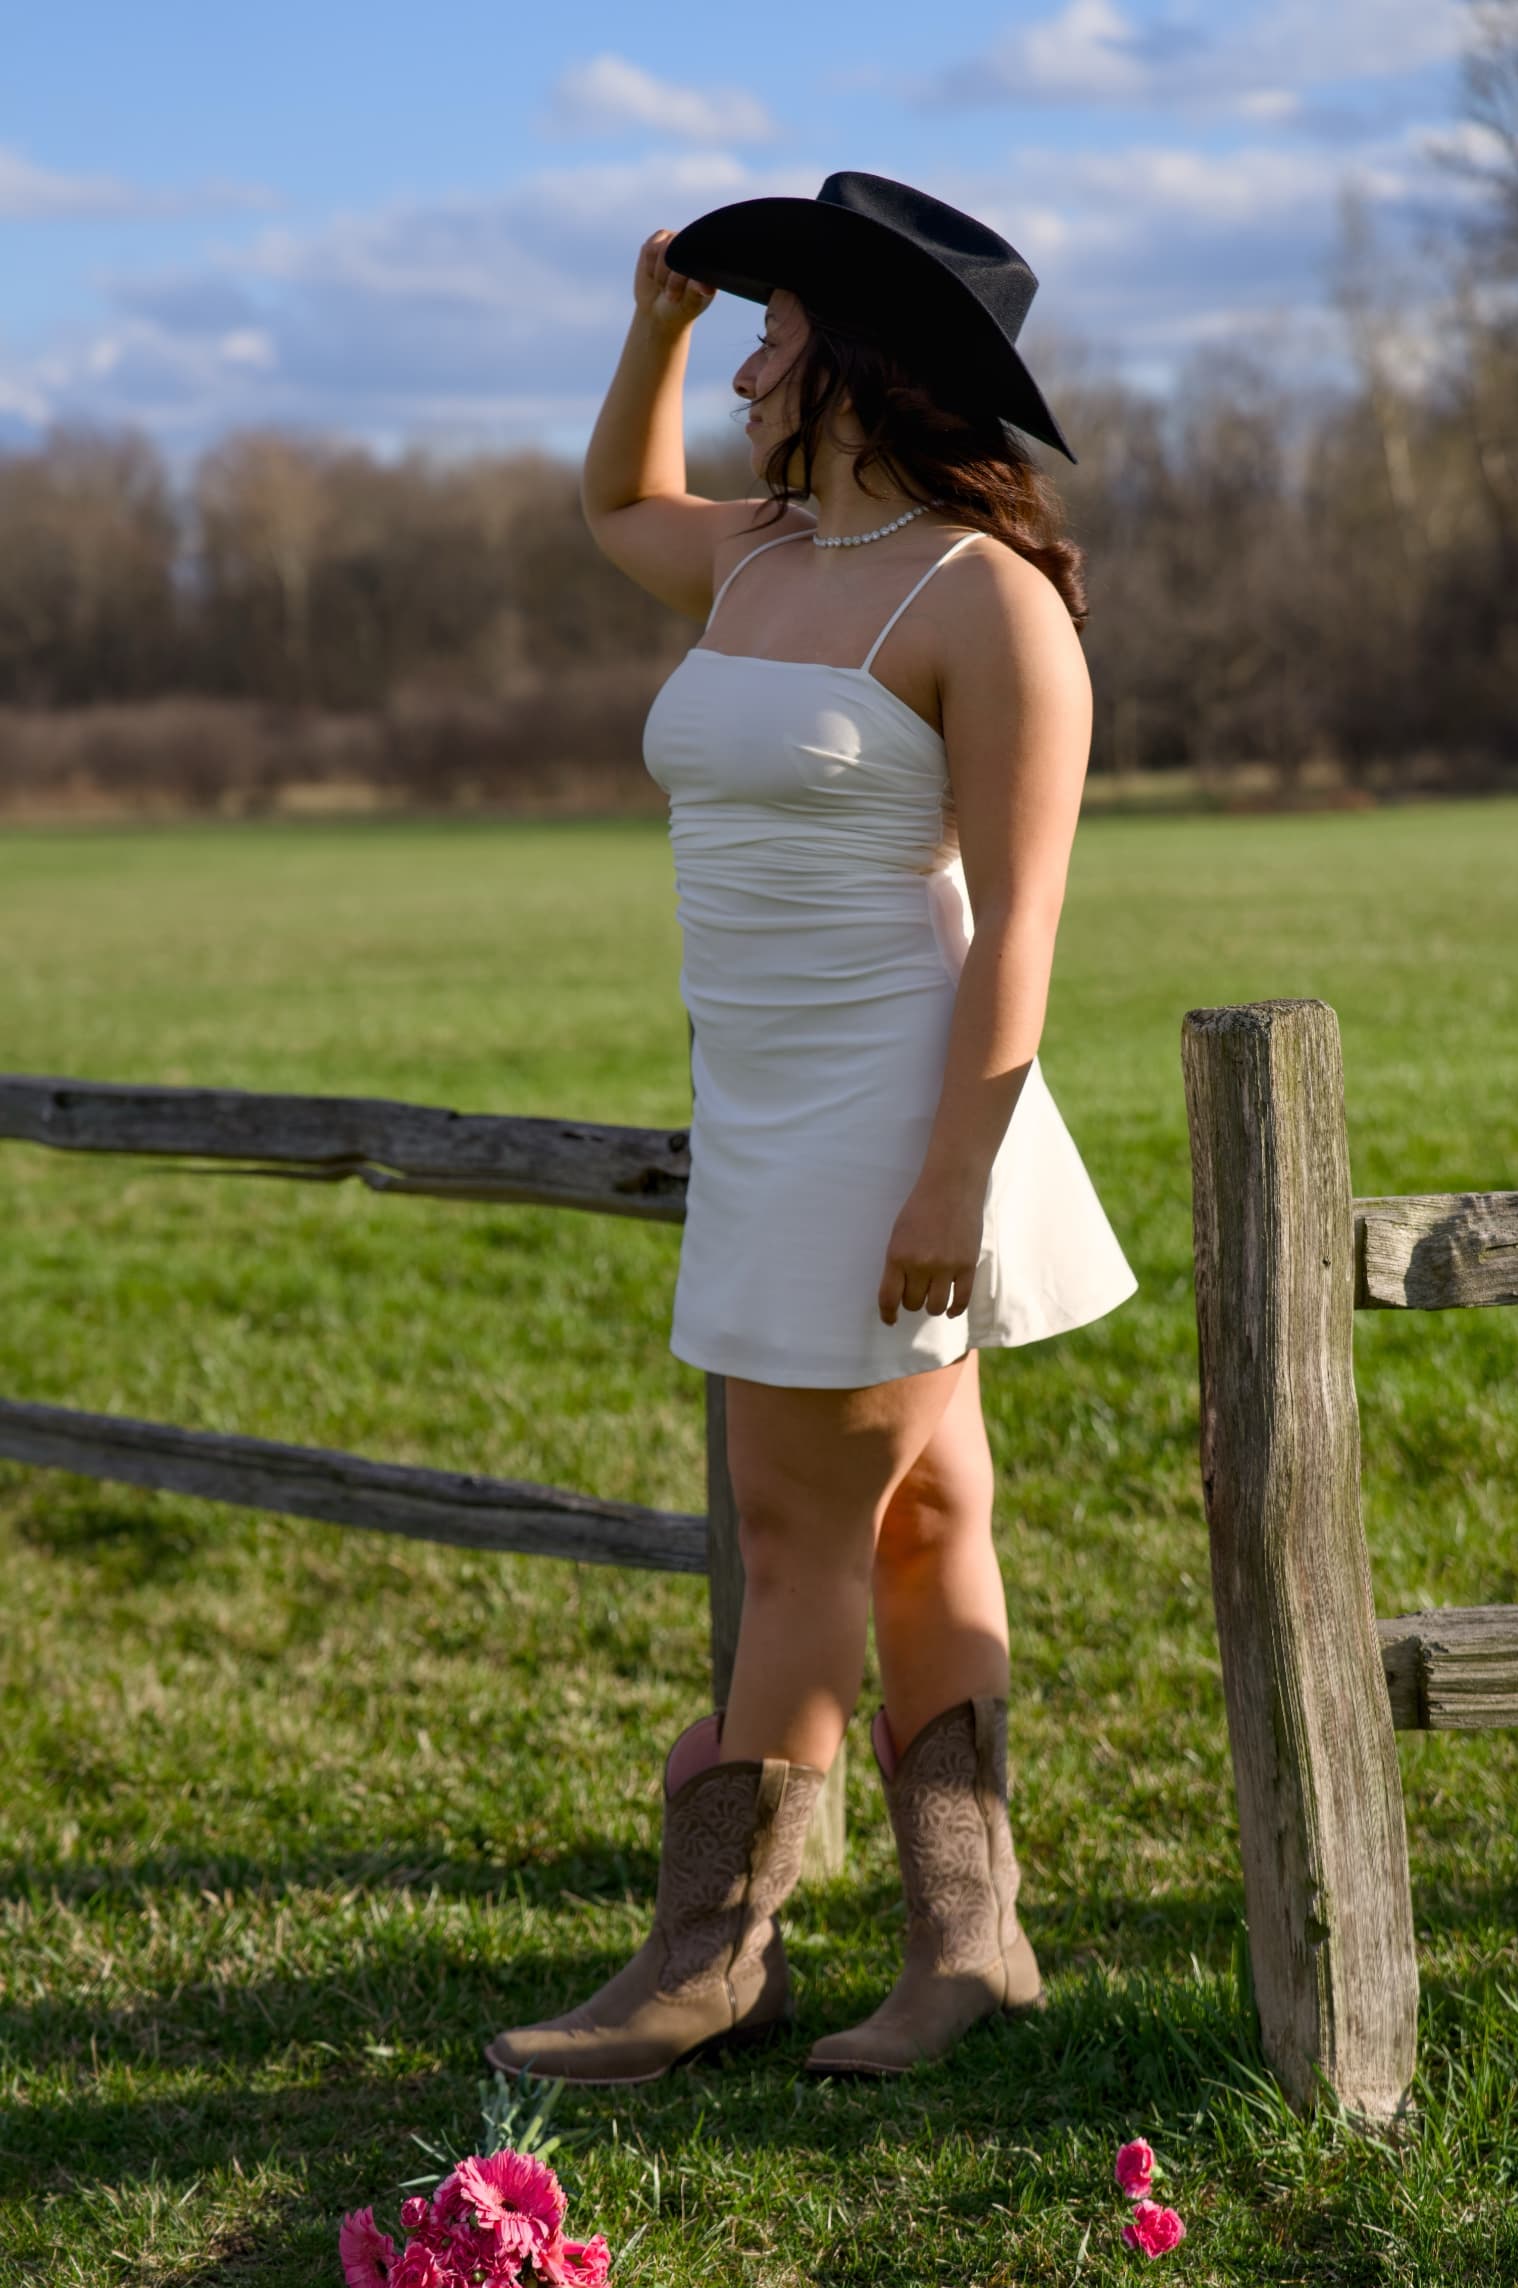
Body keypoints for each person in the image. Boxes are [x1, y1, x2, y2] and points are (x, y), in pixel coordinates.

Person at [487, 172, 1138, 2085]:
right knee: (928, 1521)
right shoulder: (763, 556)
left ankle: (714, 1956)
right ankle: (970, 1957)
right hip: (762, 1097)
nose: (754, 348)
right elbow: (613, 506)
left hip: (898, 1114)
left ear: (864, 360)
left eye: (774, 324)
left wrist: (953, 1176)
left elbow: (1021, 925)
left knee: (794, 1534)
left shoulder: (987, 604)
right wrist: (654, 325)